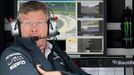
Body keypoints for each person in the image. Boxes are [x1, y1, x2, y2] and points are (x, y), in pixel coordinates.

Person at [0, 1, 90, 75]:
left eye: (39, 22)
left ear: (50, 27)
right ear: (17, 29)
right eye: (27, 23)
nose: (34, 28)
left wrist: (61, 74)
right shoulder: (11, 55)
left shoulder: (59, 54)